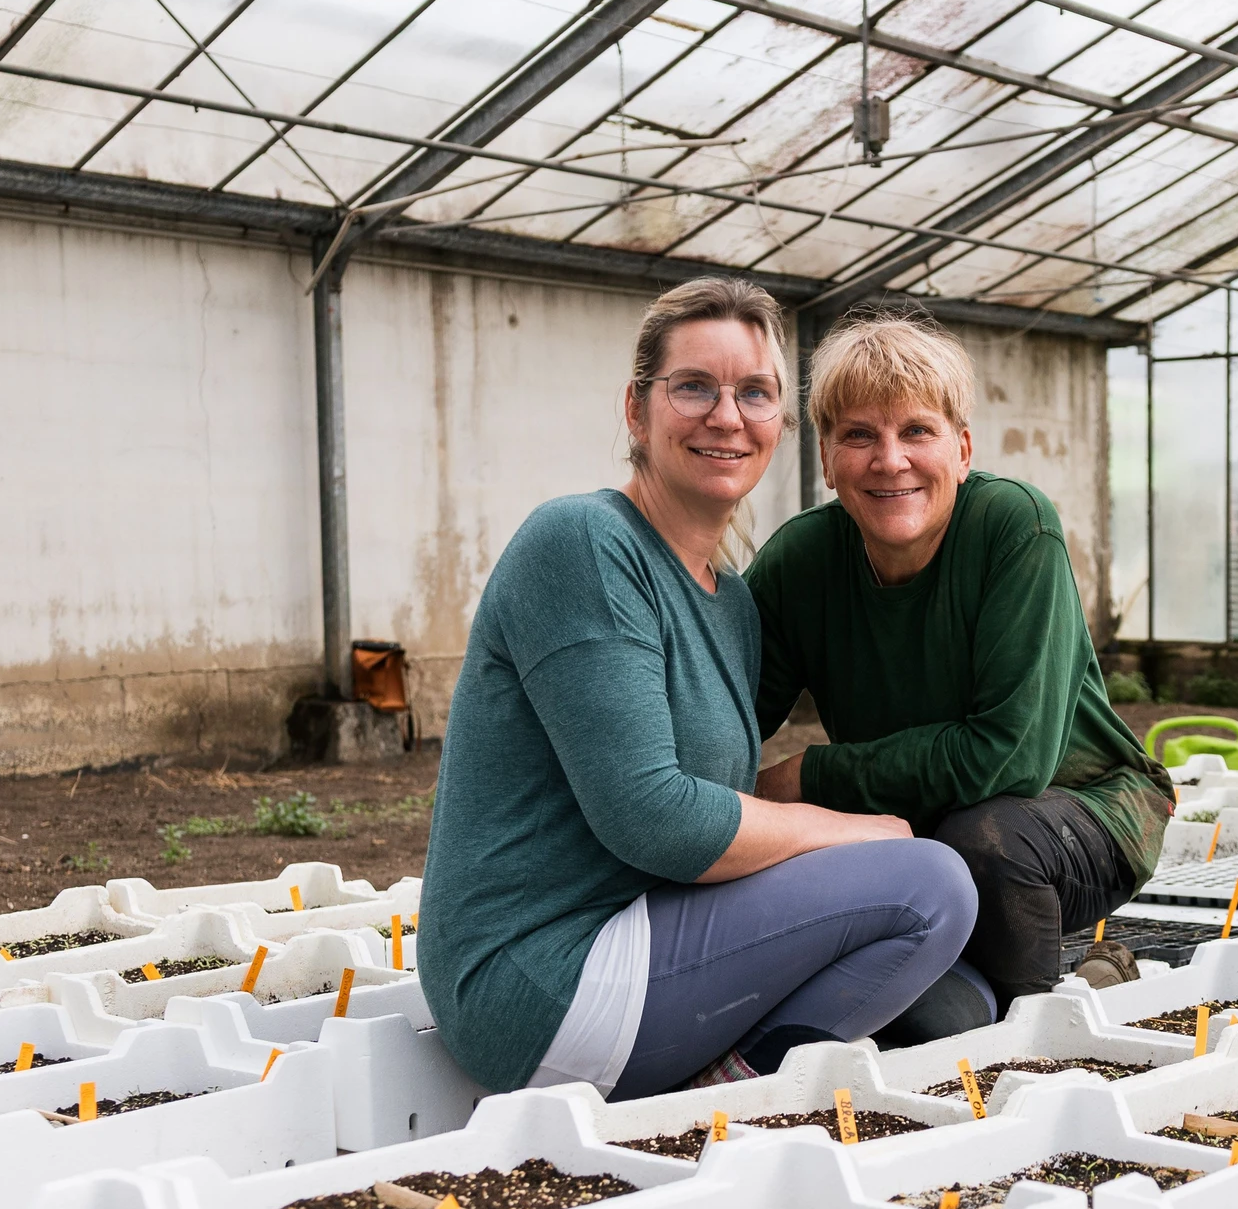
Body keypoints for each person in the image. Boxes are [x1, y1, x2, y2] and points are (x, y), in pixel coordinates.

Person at [417, 279, 978, 1098]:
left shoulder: (733, 605)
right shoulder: (582, 543)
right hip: (543, 975)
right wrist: (845, 827)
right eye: (693, 387)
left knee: (962, 1004)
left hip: (647, 934)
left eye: (755, 392)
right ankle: (732, 1095)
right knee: (931, 887)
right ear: (636, 410)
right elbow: (656, 819)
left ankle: (728, 1074)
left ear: (782, 427)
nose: (726, 415)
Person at [749, 311, 1171, 1016]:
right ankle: (1032, 991)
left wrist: (805, 775)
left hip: (1087, 812)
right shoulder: (801, 563)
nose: (890, 460)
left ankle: (1039, 1034)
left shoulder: (1012, 526)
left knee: (984, 840)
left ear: (963, 447)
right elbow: (724, 720)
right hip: (919, 825)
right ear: (826, 456)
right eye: (859, 434)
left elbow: (1011, 757)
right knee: (923, 993)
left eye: (917, 430)